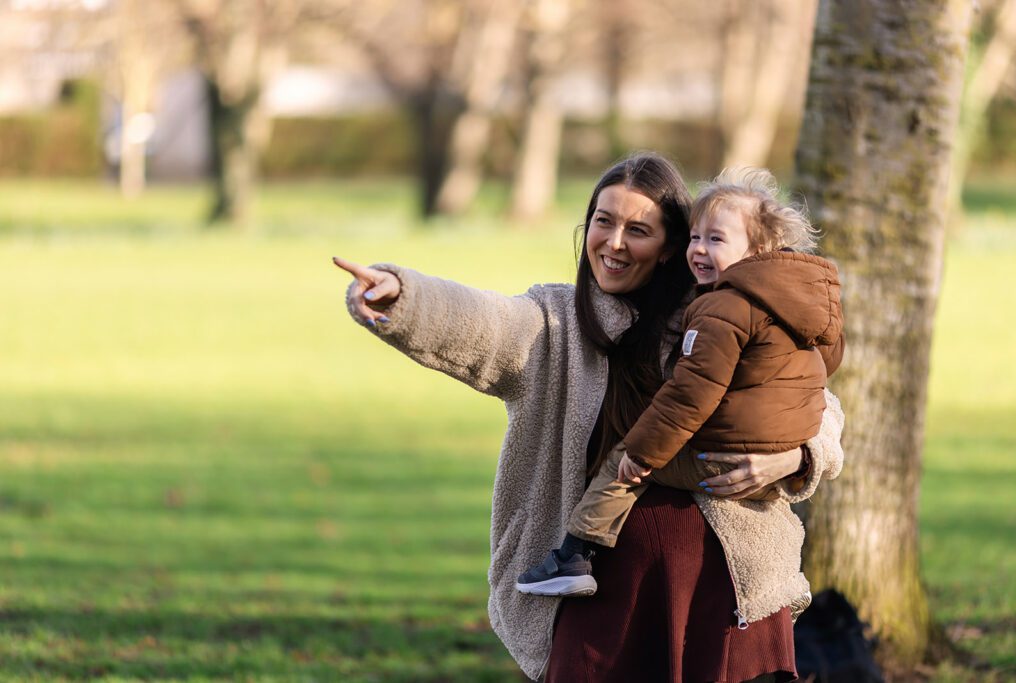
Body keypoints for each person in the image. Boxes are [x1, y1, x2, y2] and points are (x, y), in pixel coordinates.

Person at [335, 153, 844, 682]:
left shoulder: (729, 310)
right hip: (604, 586)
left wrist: (795, 457)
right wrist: (405, 299)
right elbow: (484, 324)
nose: (615, 242)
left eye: (638, 229)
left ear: (672, 243)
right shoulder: (557, 321)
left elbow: (818, 404)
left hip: (728, 584)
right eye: (604, 221)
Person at [516, 167, 845, 600]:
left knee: (623, 460)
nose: (700, 251)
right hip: (772, 461)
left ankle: (575, 555)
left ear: (759, 248)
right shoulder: (798, 304)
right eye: (695, 237)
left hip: (726, 456)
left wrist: (643, 452)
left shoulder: (722, 307)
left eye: (717, 239)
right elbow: (826, 365)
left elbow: (692, 392)